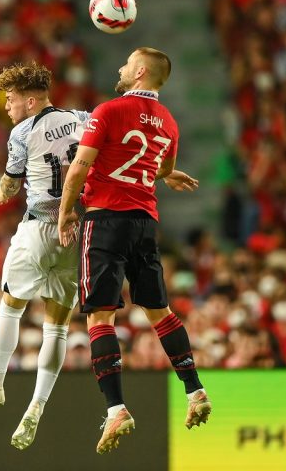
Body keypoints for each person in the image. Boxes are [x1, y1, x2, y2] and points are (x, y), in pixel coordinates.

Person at [57, 47, 210, 454]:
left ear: (140, 72)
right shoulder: (169, 122)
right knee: (159, 311)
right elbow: (161, 168)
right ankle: (195, 389)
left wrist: (65, 211)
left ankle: (116, 409)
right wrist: (164, 175)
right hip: (144, 223)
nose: (121, 68)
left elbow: (80, 167)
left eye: (126, 63)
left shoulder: (107, 111)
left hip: (105, 220)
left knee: (100, 315)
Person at [0, 61, 91, 450]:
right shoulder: (82, 119)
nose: (7, 107)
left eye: (11, 99)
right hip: (75, 231)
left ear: (31, 100)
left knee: (10, 308)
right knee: (57, 327)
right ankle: (37, 404)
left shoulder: (23, 131)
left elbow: (10, 184)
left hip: (39, 226)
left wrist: (1, 191)